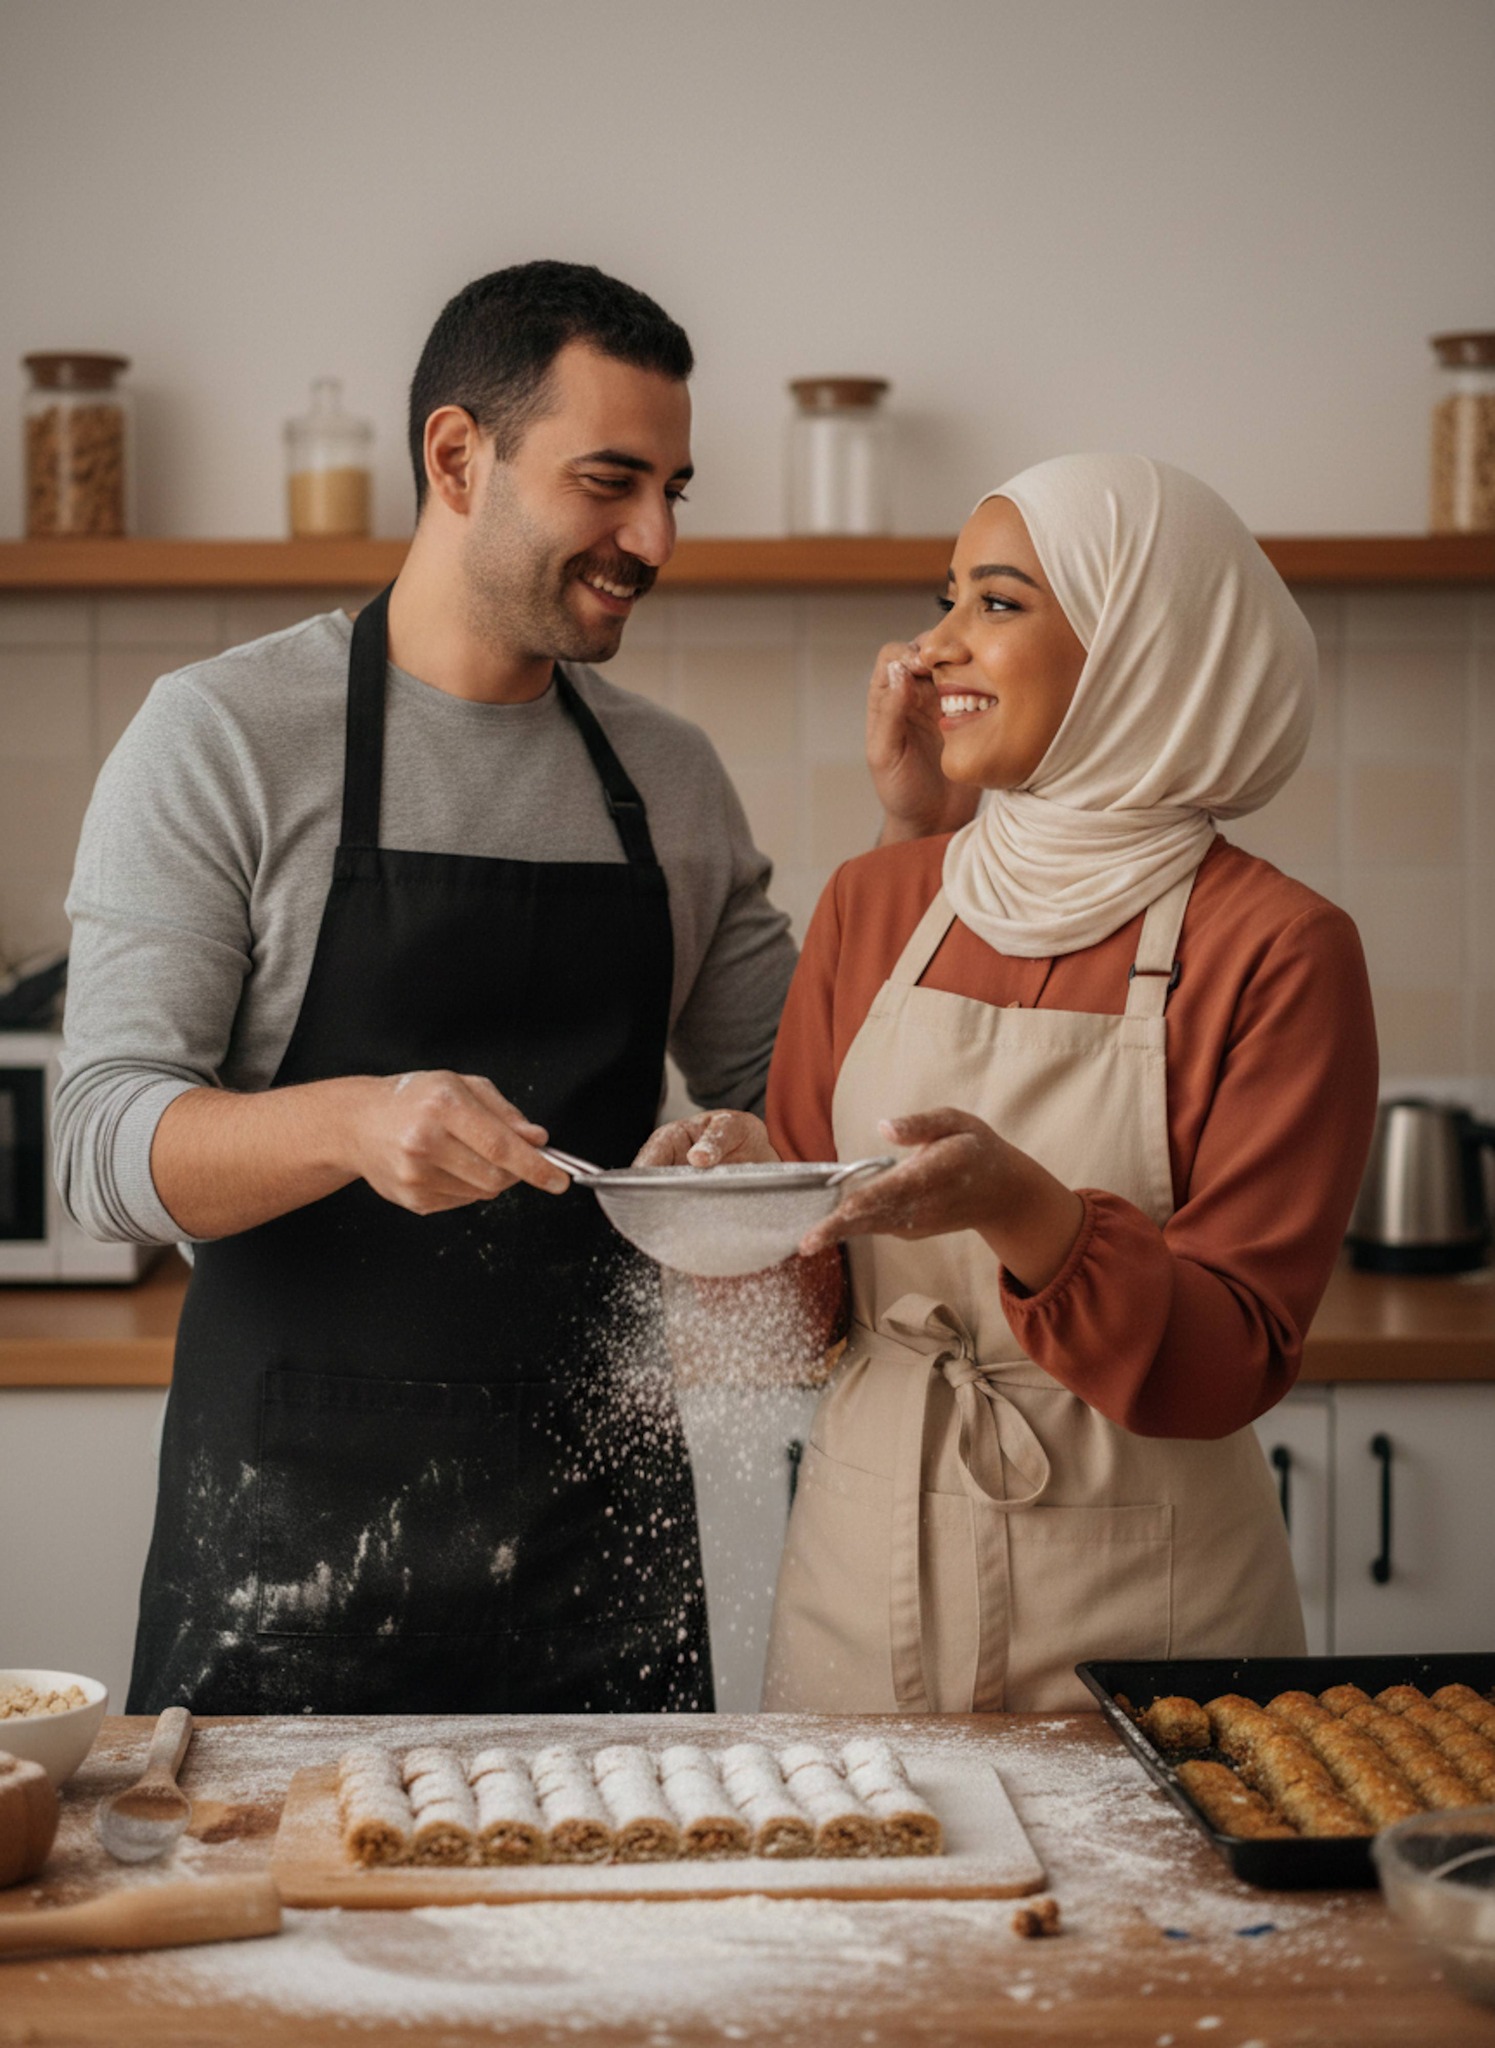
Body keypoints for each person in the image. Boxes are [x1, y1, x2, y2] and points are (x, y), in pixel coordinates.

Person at [55, 261, 801, 1716]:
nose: (651, 536)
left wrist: (740, 1154)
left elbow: (793, 1089)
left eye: (672, 490)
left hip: (601, 1544)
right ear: (457, 457)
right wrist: (348, 1122)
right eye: (608, 481)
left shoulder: (670, 777)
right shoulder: (221, 738)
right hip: (287, 1553)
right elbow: (99, 1144)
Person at [661, 454, 1378, 1715]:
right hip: (857, 1584)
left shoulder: (1278, 947)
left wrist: (1024, 1208)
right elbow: (810, 1306)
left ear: (1141, 647)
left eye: (994, 603)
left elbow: (1230, 1356)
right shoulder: (875, 901)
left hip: (1151, 1615)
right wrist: (725, 1209)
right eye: (945, 599)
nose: (934, 646)